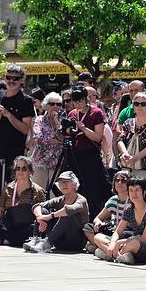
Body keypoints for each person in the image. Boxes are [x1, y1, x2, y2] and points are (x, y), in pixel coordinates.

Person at [60, 85, 109, 214]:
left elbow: (98, 137)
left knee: (91, 188)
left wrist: (83, 128)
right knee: (74, 186)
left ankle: (93, 215)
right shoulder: (72, 113)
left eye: (80, 101)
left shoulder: (96, 112)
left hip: (90, 155)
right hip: (74, 154)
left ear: (86, 99)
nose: (78, 104)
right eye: (75, 102)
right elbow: (68, 134)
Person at [94, 177, 146, 264]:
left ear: (144, 192)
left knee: (134, 243)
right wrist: (113, 243)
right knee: (97, 237)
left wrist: (120, 243)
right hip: (129, 243)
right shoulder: (129, 209)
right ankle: (119, 254)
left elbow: (144, 238)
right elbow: (118, 231)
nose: (134, 193)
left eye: (137, 190)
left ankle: (111, 254)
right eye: (131, 190)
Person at [0, 156, 45, 246]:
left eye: (24, 169)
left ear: (30, 172)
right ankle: (13, 241)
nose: (20, 171)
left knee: (34, 230)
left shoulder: (38, 190)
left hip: (26, 225)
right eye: (18, 168)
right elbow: (1, 208)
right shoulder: (8, 188)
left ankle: (3, 240)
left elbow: (43, 210)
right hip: (9, 224)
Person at [28, 172, 92, 254]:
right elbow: (37, 206)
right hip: (59, 240)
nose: (63, 184)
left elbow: (69, 210)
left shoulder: (81, 200)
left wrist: (49, 216)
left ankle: (47, 243)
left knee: (66, 215)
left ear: (75, 185)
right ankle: (36, 238)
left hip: (75, 242)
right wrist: (40, 218)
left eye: (67, 181)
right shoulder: (59, 199)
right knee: (43, 210)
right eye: (61, 182)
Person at [116, 92, 146, 191]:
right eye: (136, 104)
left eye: (143, 104)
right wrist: (125, 154)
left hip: (145, 168)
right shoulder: (128, 122)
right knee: (126, 197)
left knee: (142, 198)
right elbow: (120, 139)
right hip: (127, 166)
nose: (139, 106)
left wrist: (135, 158)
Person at [0, 65, 35, 162]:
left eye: (15, 78)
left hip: (14, 153)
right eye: (8, 77)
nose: (11, 81)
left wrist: (8, 114)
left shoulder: (26, 101)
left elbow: (25, 129)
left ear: (22, 80)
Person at [25, 92, 67, 190]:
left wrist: (56, 122)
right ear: (46, 105)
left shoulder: (63, 120)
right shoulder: (39, 120)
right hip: (40, 161)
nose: (55, 106)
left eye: (58, 104)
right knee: (39, 191)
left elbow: (65, 138)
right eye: (52, 104)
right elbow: (38, 138)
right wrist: (57, 141)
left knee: (55, 193)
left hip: (57, 161)